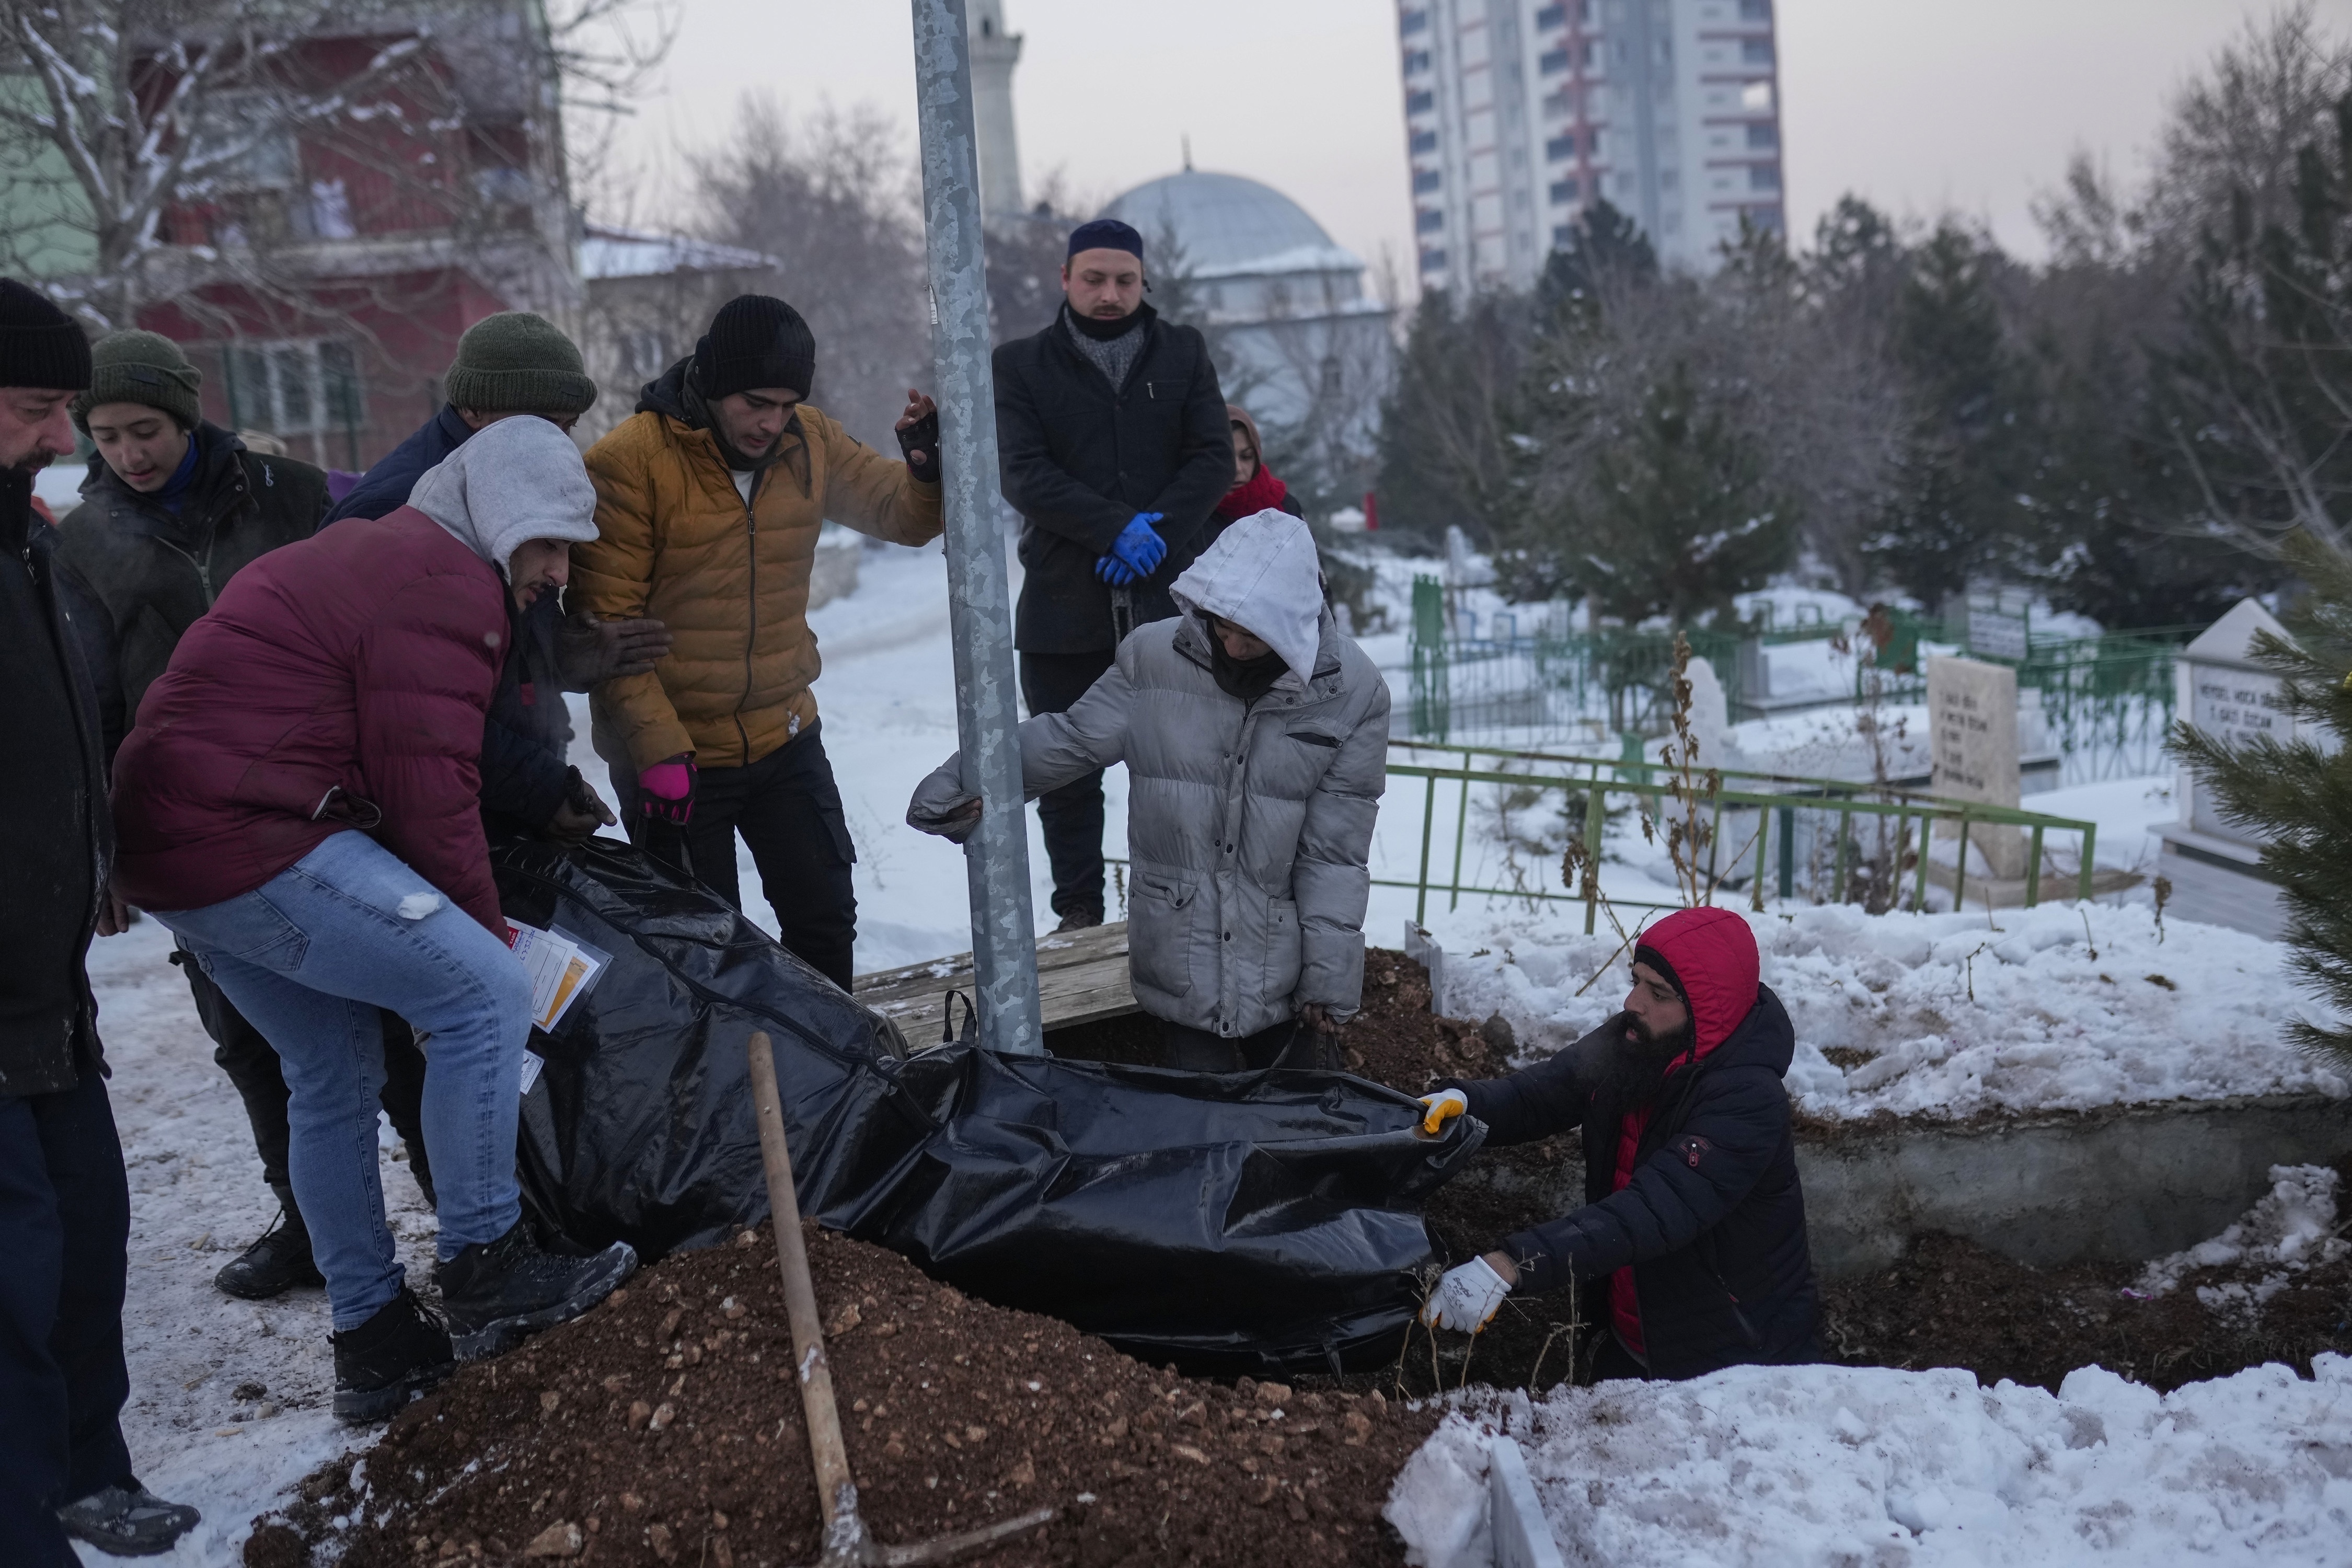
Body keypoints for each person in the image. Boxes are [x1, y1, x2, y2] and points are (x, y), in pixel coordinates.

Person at [110, 416, 639, 1423]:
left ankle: (375, 1338)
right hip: (247, 832)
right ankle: (488, 1263)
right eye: (552, 543)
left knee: (331, 1071)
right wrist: (492, 944)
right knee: (483, 993)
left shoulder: (386, 549)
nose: (560, 573)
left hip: (176, 848)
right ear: (499, 518)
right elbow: (428, 793)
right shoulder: (441, 586)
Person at [50, 328, 440, 1304]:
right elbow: (89, 704)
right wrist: (106, 852)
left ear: (187, 415)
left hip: (330, 803)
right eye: (106, 436)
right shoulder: (84, 544)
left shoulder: (293, 496)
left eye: (146, 429)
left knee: (391, 1021)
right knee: (250, 1040)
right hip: (191, 830)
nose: (129, 453)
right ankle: (310, 1225)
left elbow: (370, 623)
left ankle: (462, 1202)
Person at [907, 510, 1386, 1070]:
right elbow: (1072, 739)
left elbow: (1335, 853)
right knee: (1195, 1123)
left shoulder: (1351, 692)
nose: (1230, 646)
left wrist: (1328, 980)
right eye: (1220, 625)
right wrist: (965, 784)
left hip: (1280, 954)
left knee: (1305, 1124)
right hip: (1180, 948)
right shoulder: (1157, 659)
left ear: (1295, 625)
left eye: (1251, 637)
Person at [572, 293, 943, 991]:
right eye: (755, 403)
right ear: (714, 383)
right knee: (703, 954)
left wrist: (926, 471)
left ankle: (830, 1080)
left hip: (785, 736)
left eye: (786, 404)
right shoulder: (629, 464)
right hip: (677, 756)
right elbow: (604, 628)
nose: (771, 423)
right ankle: (728, 1093)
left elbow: (900, 515)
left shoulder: (811, 441)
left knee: (826, 920)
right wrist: (657, 752)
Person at [0, 280, 200, 1562]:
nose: (65, 436)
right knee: (10, 1288)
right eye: (32, 407)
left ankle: (90, 1473)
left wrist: (95, 856)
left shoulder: (29, 544)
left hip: (46, 986)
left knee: (85, 1243)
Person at [1414, 905, 1820, 1381]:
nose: (1634, 1001)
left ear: (1707, 1014)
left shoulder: (1747, 1100)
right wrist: (1466, 1100)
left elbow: (1651, 1211)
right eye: (1637, 980)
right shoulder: (1638, 1041)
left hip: (1735, 1363)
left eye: (1659, 992)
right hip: (1632, 1339)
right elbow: (1544, 1092)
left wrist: (1510, 1264)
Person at [328, 312, 670, 849]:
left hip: (503, 798)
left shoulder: (512, 480)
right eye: (537, 421)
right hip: (437, 820)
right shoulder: (393, 507)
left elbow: (491, 644)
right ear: (474, 408)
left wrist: (561, 654)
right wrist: (537, 788)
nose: (553, 442)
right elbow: (406, 711)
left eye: (567, 425)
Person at [994, 217, 1232, 932]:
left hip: (1173, 607)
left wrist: (1151, 535)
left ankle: (1182, 914)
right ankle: (1080, 914)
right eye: (1094, 279)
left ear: (1143, 282)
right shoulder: (1020, 365)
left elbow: (1213, 459)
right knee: (1066, 771)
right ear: (1065, 280)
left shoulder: (1183, 352)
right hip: (1065, 607)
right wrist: (1110, 528)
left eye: (1124, 280)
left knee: (1184, 772)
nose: (1109, 294)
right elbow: (1022, 471)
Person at [1216, 404, 1303, 524]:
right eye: (1225, 458)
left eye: (1247, 457)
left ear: (1257, 456)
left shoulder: (1287, 506)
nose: (1238, 469)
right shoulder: (1193, 514)